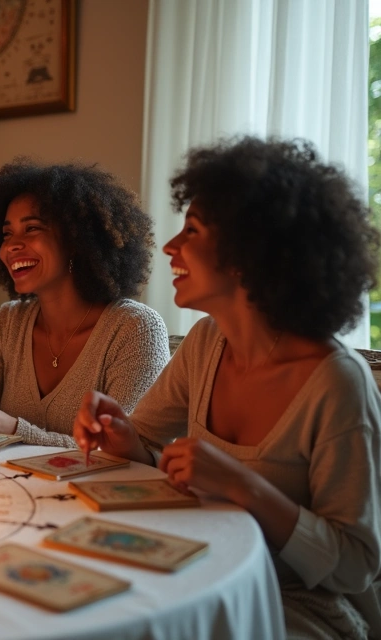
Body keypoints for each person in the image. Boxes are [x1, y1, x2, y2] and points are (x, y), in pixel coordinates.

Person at [74, 137, 381, 639]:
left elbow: (355, 566)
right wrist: (119, 432)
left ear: (248, 253)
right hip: (198, 574)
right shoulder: (205, 342)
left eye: (191, 230)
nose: (170, 247)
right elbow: (145, 445)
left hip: (298, 606)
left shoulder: (335, 382)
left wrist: (244, 486)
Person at [0, 160, 169, 446]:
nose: (10, 246)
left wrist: (15, 429)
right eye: (7, 234)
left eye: (32, 229)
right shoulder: (7, 323)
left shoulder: (136, 329)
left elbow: (129, 451)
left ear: (76, 240)